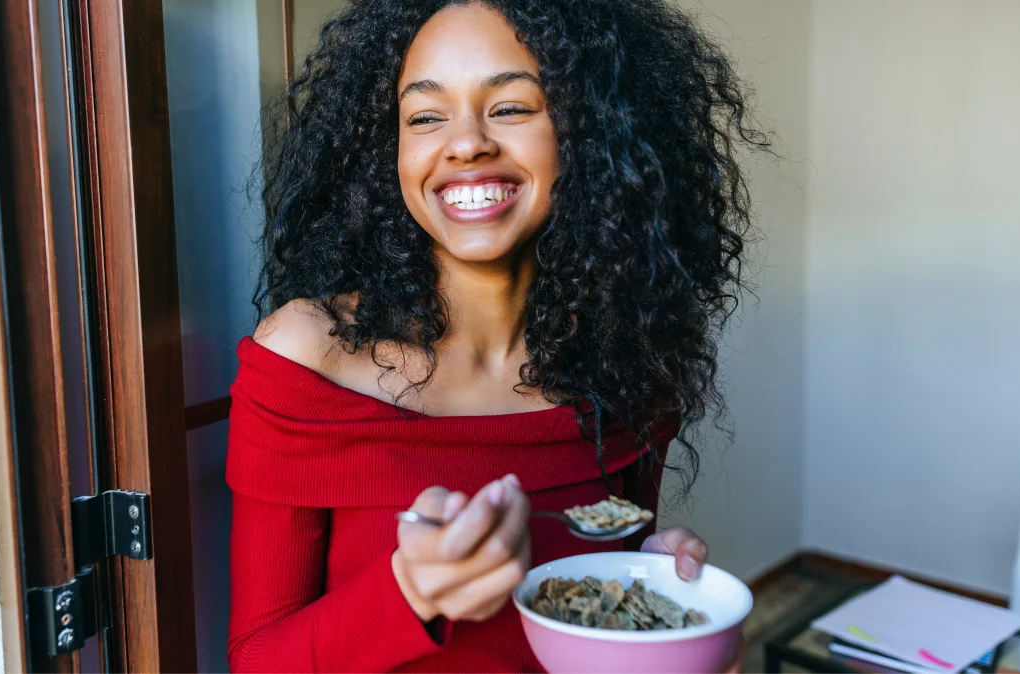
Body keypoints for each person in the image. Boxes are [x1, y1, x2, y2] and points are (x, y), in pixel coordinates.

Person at [226, 0, 764, 670]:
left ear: (588, 131)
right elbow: (257, 658)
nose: (466, 141)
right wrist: (407, 593)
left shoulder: (630, 360)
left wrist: (648, 592)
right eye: (425, 116)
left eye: (511, 107)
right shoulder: (308, 356)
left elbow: (595, 602)